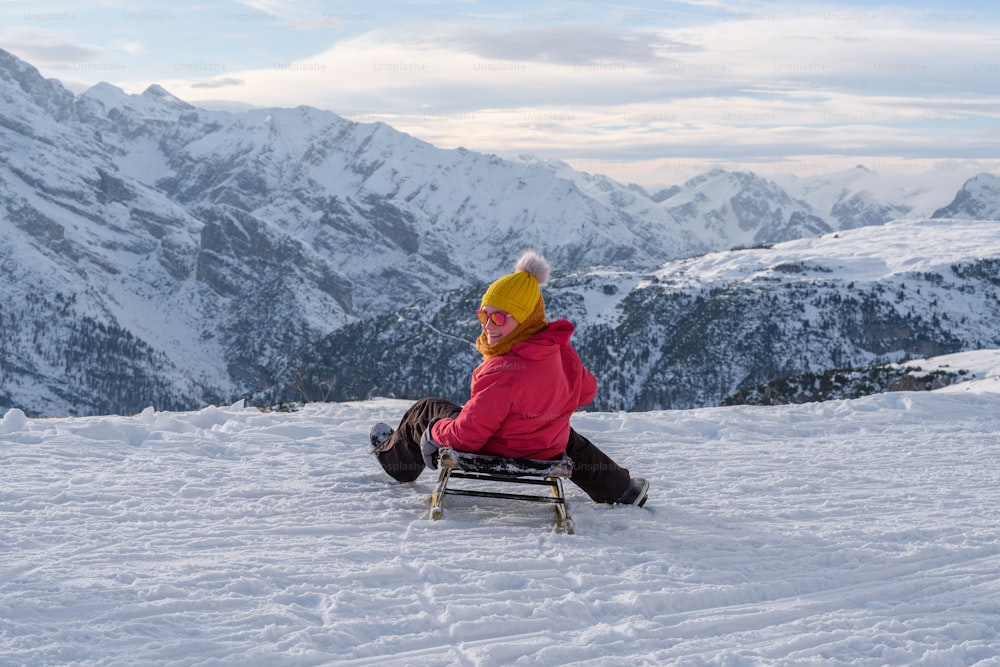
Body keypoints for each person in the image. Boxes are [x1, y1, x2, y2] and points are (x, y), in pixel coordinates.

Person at [368, 250, 649, 507]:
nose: (488, 326)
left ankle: (396, 463)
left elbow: (467, 436)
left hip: (501, 449)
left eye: (499, 319)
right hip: (544, 446)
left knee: (427, 409)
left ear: (526, 318)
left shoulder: (504, 370)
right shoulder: (558, 349)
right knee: (562, 434)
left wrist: (435, 430)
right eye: (483, 316)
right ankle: (621, 489)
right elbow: (586, 392)